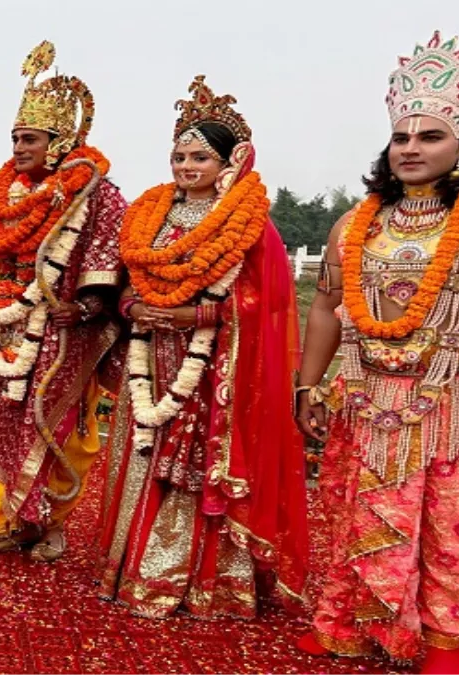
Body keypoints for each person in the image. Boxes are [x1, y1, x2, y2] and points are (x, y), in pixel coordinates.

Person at [294, 32, 459, 674]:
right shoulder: (356, 223)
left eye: (430, 136)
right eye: (400, 137)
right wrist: (307, 385)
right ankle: (348, 622)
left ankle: (443, 645)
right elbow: (325, 307)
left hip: (453, 404)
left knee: (453, 526)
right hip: (364, 399)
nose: (410, 148)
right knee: (355, 513)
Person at [94, 76, 309, 619]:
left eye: (200, 157)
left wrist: (199, 315)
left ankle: (197, 580)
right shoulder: (149, 214)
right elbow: (125, 280)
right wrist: (133, 309)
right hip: (150, 357)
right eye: (179, 156)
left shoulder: (246, 221)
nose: (186, 167)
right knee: (142, 454)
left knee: (193, 467)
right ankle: (130, 566)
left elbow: (269, 301)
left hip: (213, 365)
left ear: (228, 163)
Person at [0, 41, 127, 562]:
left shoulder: (96, 193)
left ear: (60, 141)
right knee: (13, 425)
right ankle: (15, 519)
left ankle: (54, 524)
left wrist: (86, 309)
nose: (18, 147)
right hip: (13, 327)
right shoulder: (4, 194)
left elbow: (111, 259)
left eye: (28, 138)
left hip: (69, 330)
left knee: (61, 432)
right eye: (14, 138)